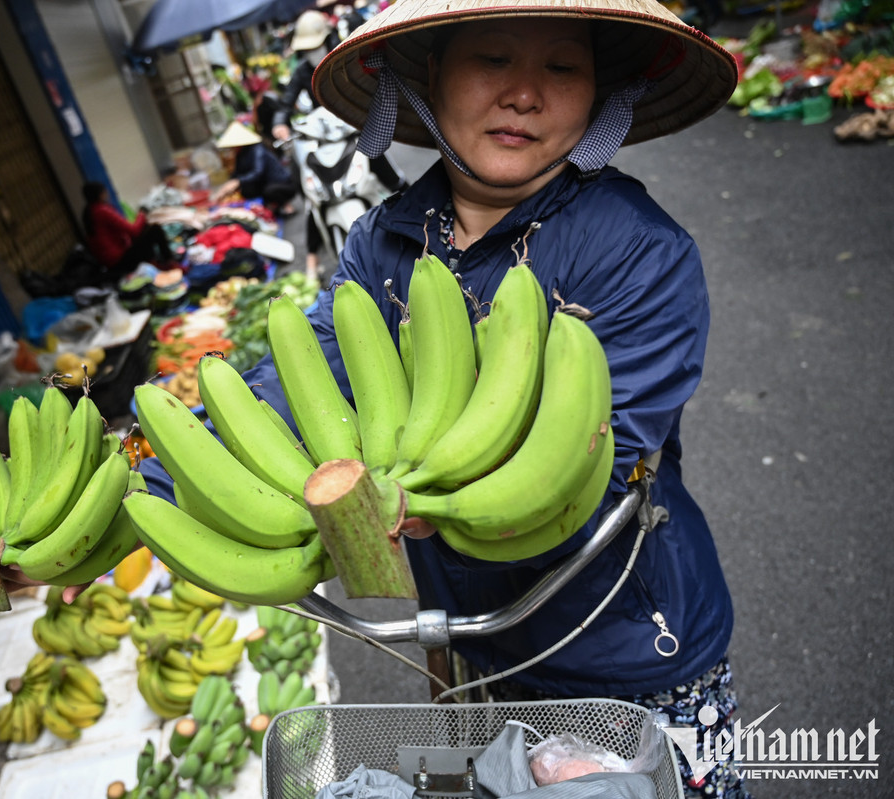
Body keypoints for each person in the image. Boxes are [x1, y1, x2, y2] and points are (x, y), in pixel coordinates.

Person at [145, 0, 748, 796]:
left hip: (627, 649)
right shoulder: (384, 242)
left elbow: (597, 463)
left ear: (602, 92)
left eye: (562, 66)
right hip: (477, 645)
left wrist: (430, 497)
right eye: (493, 58)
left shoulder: (641, 252)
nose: (526, 94)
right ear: (428, 77)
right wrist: (144, 485)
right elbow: (298, 389)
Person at [271, 8, 408, 282]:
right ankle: (311, 264)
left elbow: (369, 79)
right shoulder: (301, 72)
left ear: (326, 38)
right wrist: (280, 122)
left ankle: (411, 212)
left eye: (315, 45)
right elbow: (286, 102)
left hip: (352, 130)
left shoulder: (344, 56)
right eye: (306, 48)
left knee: (383, 167)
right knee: (313, 197)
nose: (311, 52)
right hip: (323, 141)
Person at [81, 181, 173, 277]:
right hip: (120, 261)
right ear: (101, 194)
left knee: (145, 231)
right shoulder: (102, 211)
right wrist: (141, 214)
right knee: (155, 229)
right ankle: (170, 262)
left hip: (111, 262)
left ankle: (155, 263)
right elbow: (133, 231)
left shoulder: (90, 211)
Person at [209, 120, 298, 214]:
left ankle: (284, 204)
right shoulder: (240, 154)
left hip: (282, 184)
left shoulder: (257, 150)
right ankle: (268, 205)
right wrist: (227, 186)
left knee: (269, 191)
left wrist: (238, 181)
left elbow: (257, 172)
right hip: (264, 184)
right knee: (246, 190)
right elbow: (237, 173)